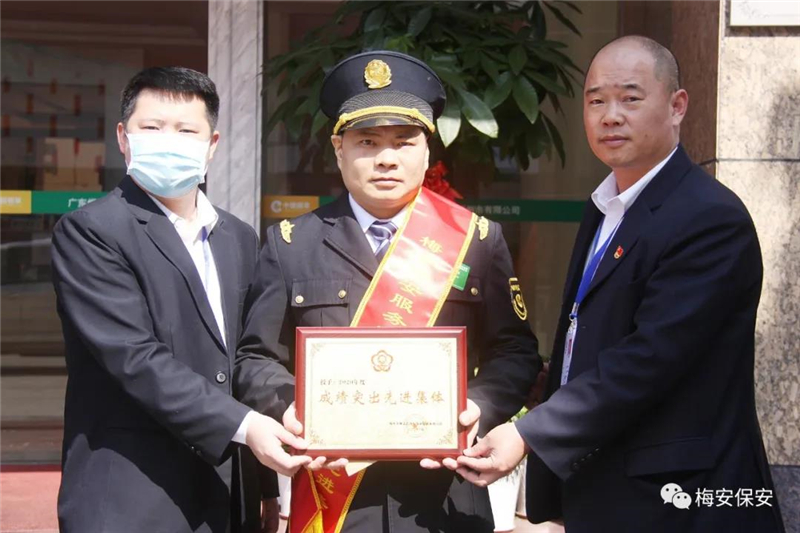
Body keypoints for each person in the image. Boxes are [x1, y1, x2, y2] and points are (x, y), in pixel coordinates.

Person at [451, 36, 786, 533]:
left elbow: (650, 359)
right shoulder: (606, 208)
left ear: (677, 106)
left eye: (630, 98)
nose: (610, 116)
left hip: (683, 500)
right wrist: (554, 380)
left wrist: (528, 432)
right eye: (596, 101)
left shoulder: (709, 217)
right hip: (612, 490)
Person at [234, 50, 541, 532]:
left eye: (403, 141)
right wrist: (293, 408)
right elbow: (254, 358)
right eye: (367, 141)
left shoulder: (476, 241)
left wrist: (476, 408)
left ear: (427, 150)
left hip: (445, 499)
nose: (386, 158)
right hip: (334, 499)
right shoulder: (291, 244)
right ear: (338, 149)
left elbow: (515, 352)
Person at [51, 66, 314, 533]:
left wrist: (265, 487)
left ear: (212, 144)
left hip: (227, 494)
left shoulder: (238, 237)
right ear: (123, 138)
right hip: (132, 496)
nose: (168, 142)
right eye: (152, 128)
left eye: (186, 131)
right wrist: (247, 427)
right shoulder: (92, 231)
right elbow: (134, 358)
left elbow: (246, 358)